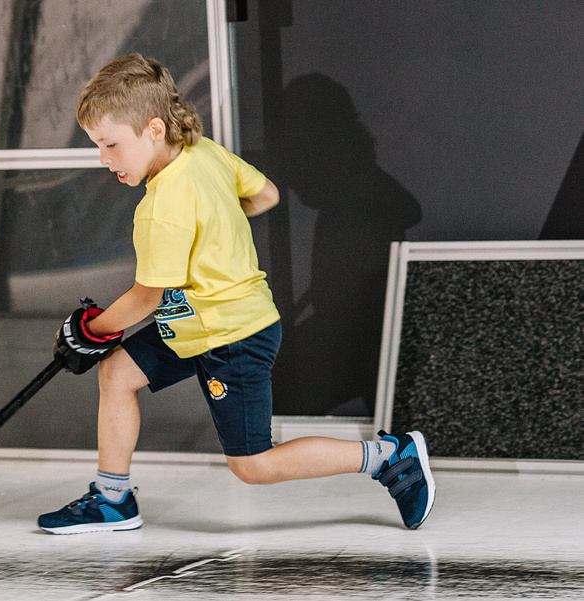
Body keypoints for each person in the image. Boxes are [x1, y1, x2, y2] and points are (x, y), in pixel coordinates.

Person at [39, 53, 434, 535]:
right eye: (99, 146)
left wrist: (88, 330)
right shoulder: (202, 152)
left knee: (252, 464)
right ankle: (112, 499)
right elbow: (266, 194)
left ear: (154, 129)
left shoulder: (161, 208)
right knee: (118, 372)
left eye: (110, 144)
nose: (104, 159)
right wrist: (212, 227)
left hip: (232, 335)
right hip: (195, 323)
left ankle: (391, 458)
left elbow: (145, 298)